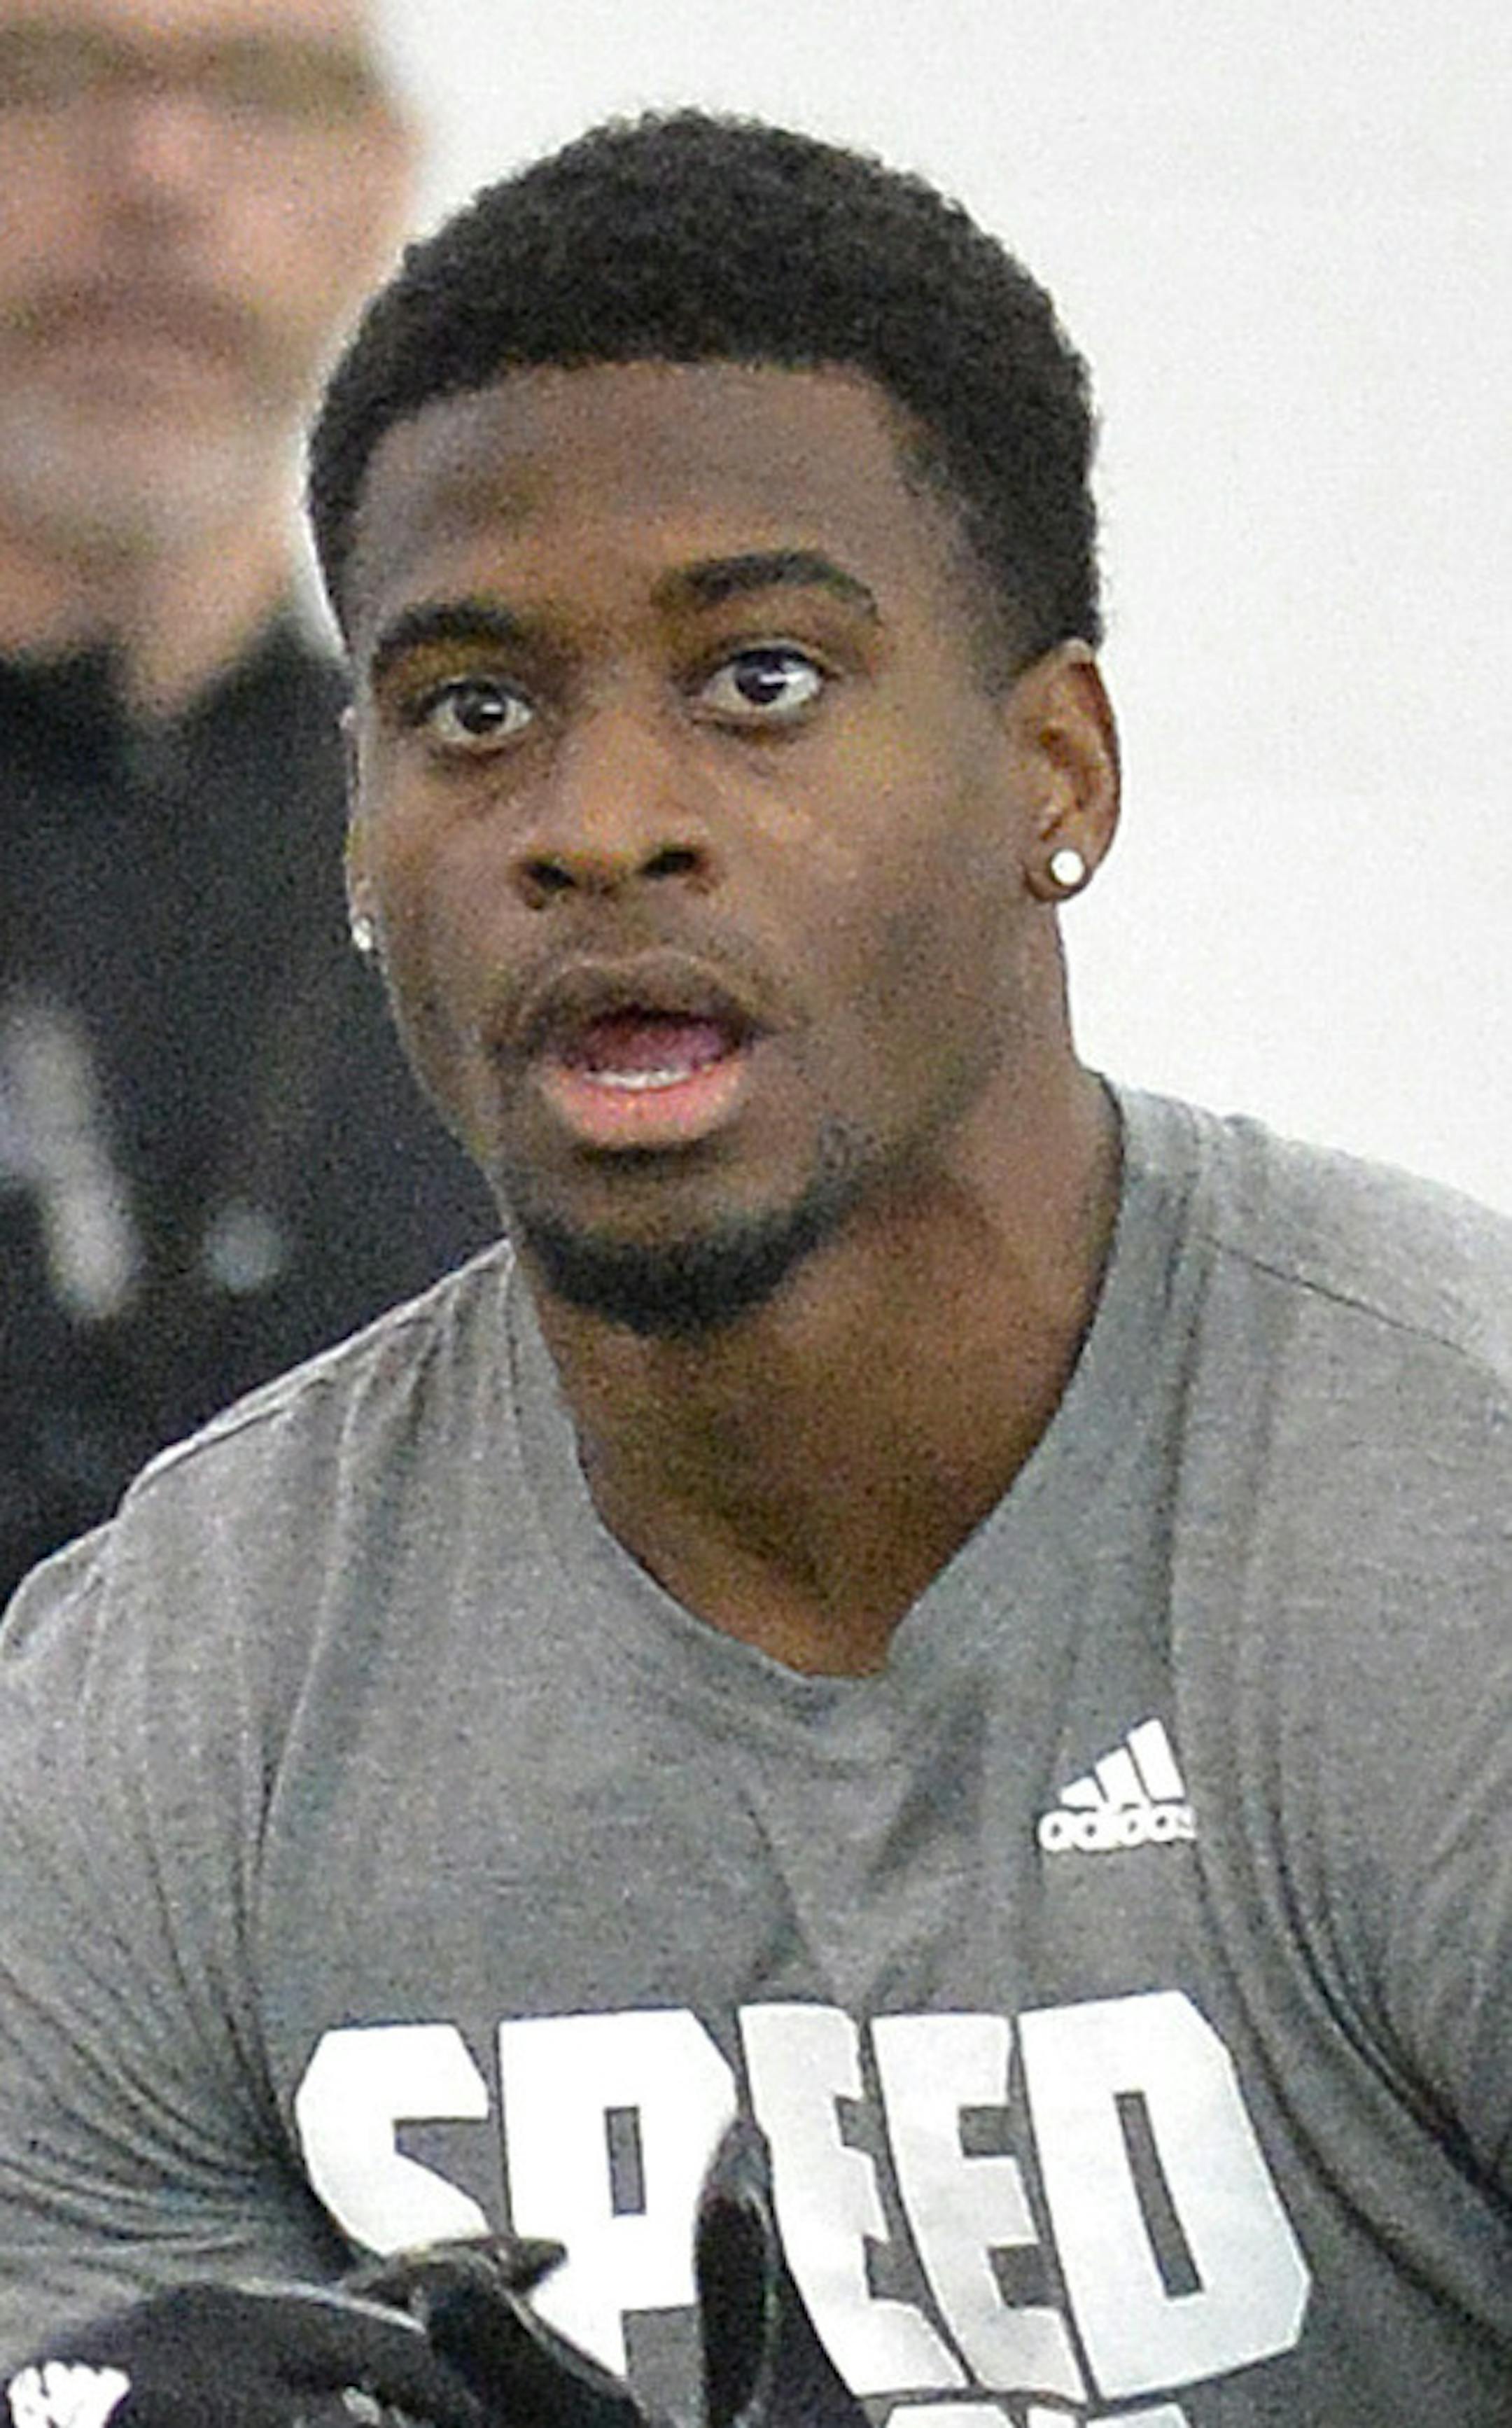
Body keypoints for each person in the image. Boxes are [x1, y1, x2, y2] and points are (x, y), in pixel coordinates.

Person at [1, 107, 1510, 2428]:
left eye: (764, 680)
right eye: (474, 710)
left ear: (1057, 769)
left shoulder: (1451, 1532)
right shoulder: (161, 1705)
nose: (601, 821)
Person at [0, 0, 498, 1600]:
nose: (156, 172)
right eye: (48, 73)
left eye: (261, 90)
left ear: (381, 186)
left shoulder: (522, 855)